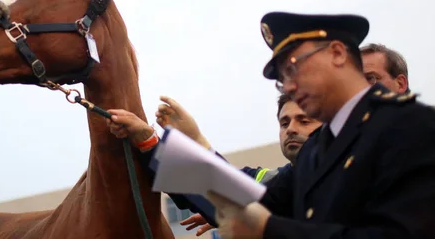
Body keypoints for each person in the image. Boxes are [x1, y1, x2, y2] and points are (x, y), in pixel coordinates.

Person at [205, 11, 435, 238]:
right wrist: (195, 147)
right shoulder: (317, 146)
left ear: (337, 53)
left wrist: (270, 229)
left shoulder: (410, 125)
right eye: (282, 80)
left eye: (293, 68)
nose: (289, 87)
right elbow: (261, 201)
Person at [106, 94, 322, 236]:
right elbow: (226, 185)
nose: (291, 129)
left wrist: (152, 140)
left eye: (304, 121)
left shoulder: (337, 174)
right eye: (285, 123)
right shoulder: (279, 179)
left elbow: (238, 199)